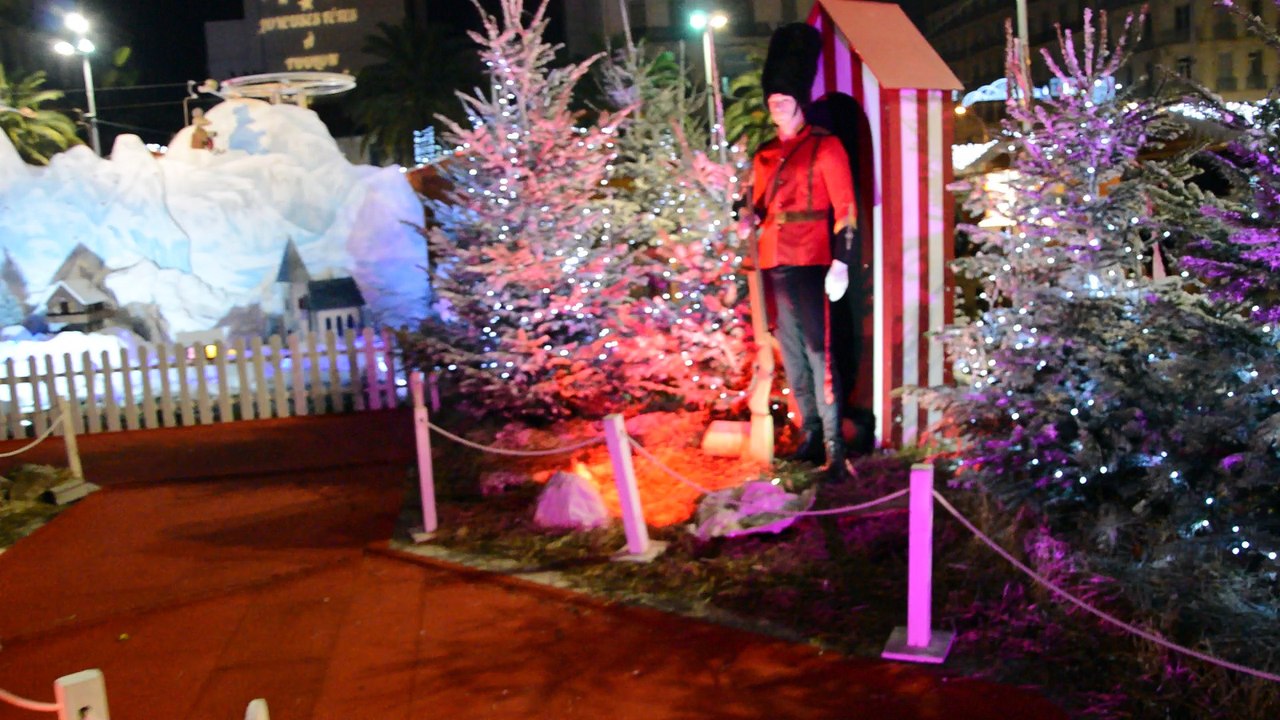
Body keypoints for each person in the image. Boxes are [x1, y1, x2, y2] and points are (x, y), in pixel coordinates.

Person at [737, 23, 860, 477]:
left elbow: (846, 207)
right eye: (772, 98)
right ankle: (809, 434)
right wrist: (747, 214)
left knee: (818, 351)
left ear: (800, 100)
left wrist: (842, 261)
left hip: (812, 260)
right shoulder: (765, 154)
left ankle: (833, 445)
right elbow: (757, 206)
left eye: (784, 97)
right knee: (790, 351)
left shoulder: (826, 147)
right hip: (773, 260)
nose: (777, 103)